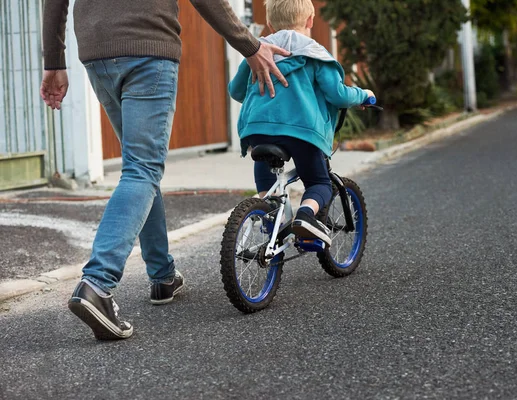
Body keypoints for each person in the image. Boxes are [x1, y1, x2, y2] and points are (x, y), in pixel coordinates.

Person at [40, 0, 290, 340]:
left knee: (139, 167)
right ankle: (97, 283)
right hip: (147, 45)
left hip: (97, 51)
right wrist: (250, 45)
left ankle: (162, 276)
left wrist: (54, 59)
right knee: (142, 169)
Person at [228, 0, 374, 246]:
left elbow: (236, 91)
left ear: (271, 24)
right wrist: (363, 95)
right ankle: (306, 216)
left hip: (258, 130)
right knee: (319, 182)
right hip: (302, 132)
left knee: (267, 174)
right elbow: (337, 94)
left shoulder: (258, 50)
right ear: (310, 21)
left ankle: (268, 212)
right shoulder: (315, 53)